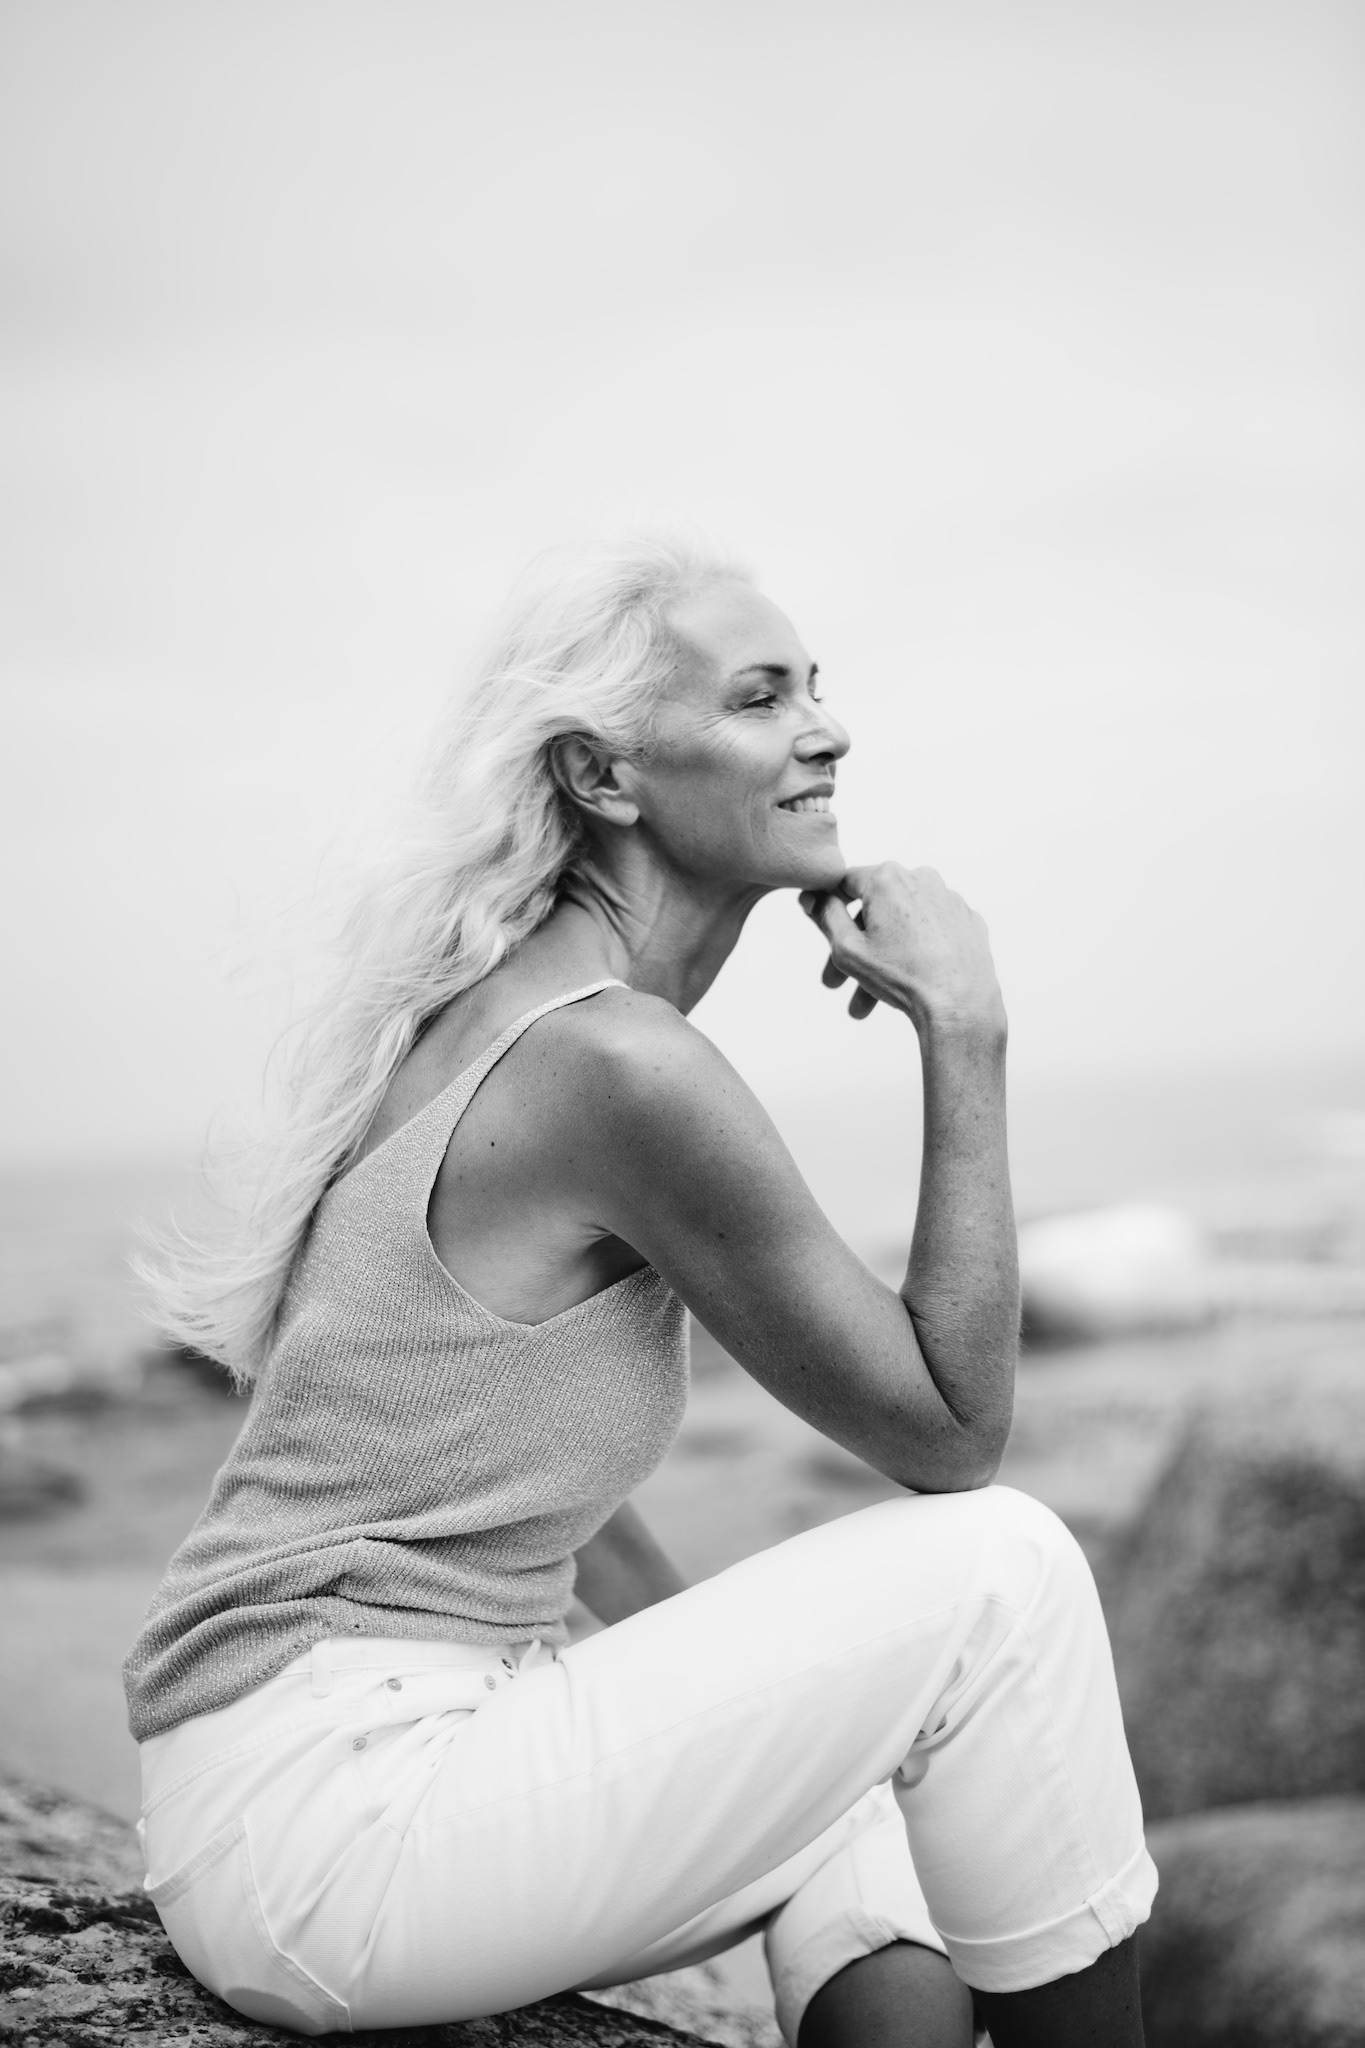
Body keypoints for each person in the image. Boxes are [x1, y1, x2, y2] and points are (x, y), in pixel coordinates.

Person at [126, 534, 1155, 2048]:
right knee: (998, 1568)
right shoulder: (613, 1066)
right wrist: (966, 1026)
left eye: (815, 687)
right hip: (339, 1826)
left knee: (883, 1782)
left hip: (273, 1808)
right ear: (606, 780)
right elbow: (951, 1434)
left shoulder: (496, 1020)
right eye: (759, 698)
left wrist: (764, 1693)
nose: (826, 728)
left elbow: (524, 1482)